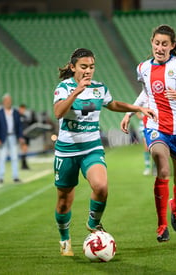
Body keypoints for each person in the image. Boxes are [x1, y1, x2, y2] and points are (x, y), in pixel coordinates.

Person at [53, 48, 156, 256]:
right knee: (64, 201)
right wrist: (76, 92)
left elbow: (113, 104)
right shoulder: (63, 88)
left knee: (101, 186)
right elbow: (58, 112)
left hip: (91, 147)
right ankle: (64, 239)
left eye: (91, 67)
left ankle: (94, 224)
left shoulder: (100, 88)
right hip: (66, 151)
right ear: (73, 67)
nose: (88, 71)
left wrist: (137, 109)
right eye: (83, 67)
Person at [121, 24, 176, 242]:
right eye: (156, 43)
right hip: (156, 127)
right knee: (162, 168)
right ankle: (161, 225)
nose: (159, 47)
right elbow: (145, 92)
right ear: (152, 43)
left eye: (164, 44)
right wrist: (131, 111)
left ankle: (175, 208)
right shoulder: (143, 68)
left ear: (172, 46)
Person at [0, 93, 24, 184]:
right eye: (7, 101)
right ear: (4, 102)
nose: (8, 102)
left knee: (14, 157)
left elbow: (19, 126)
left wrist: (20, 137)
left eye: (10, 101)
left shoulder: (15, 112)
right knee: (2, 157)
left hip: (13, 136)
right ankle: (0, 177)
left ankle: (15, 176)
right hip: (3, 137)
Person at [18, 104, 31, 170]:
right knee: (23, 149)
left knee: (25, 150)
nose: (23, 110)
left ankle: (24, 164)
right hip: (22, 136)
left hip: (27, 135)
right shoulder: (17, 116)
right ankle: (23, 165)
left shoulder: (25, 117)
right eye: (22, 109)